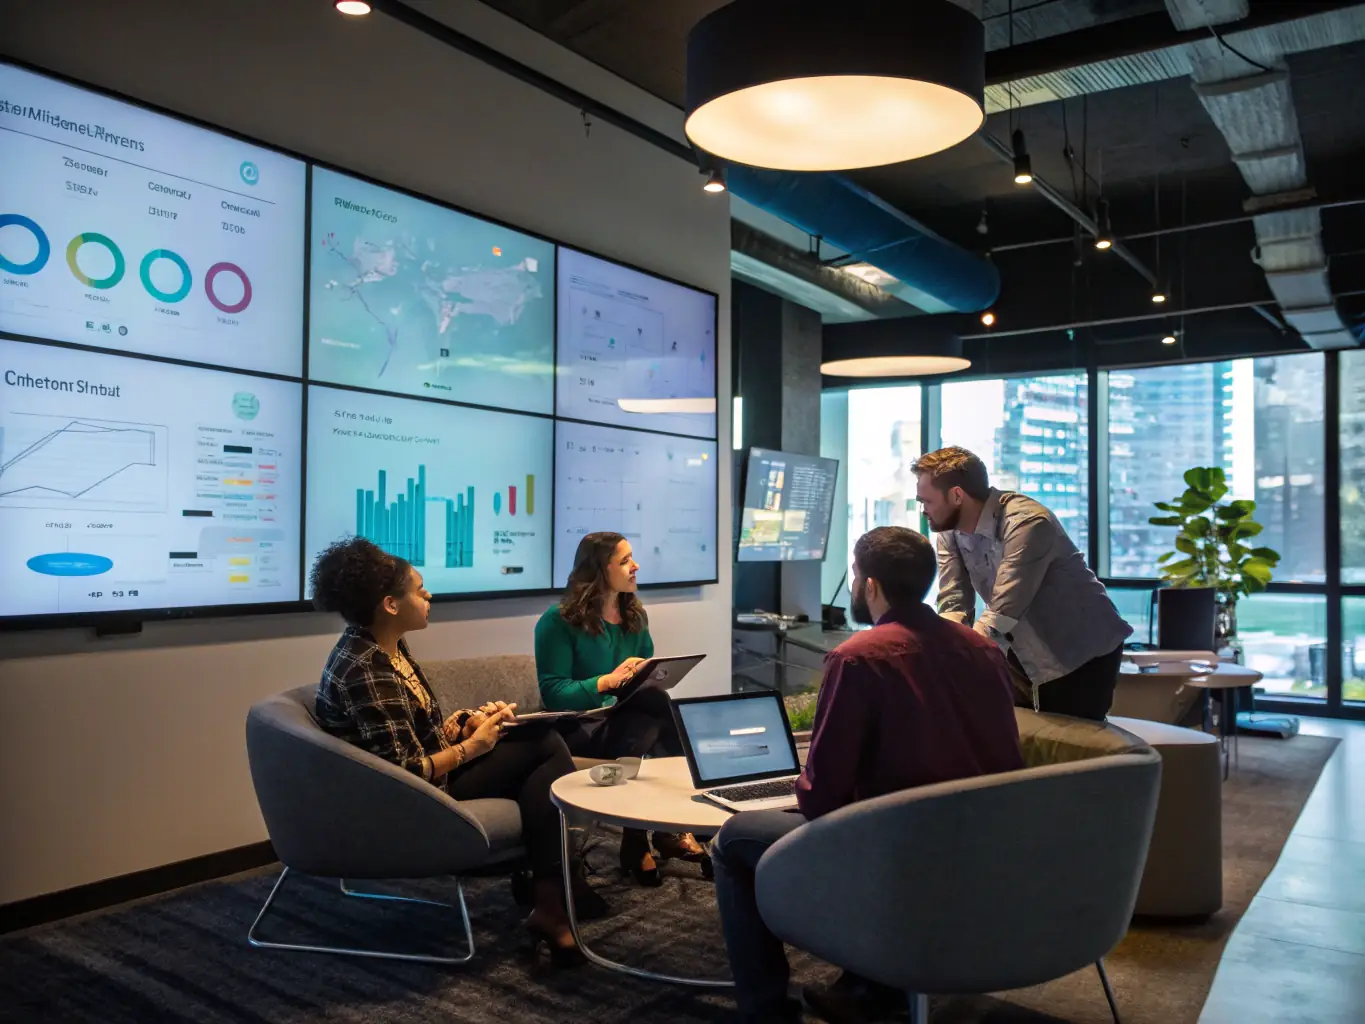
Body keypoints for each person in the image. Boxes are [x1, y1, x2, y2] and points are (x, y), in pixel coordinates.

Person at [710, 527, 1025, 1024]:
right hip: (980, 847)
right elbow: (1008, 762)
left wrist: (795, 798)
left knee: (732, 839)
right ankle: (868, 987)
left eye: (856, 575)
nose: (855, 584)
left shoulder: (857, 657)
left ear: (870, 585)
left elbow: (823, 796)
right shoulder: (983, 650)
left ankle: (765, 1010)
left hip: (888, 849)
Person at [311, 537, 593, 967]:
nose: (429, 596)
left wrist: (466, 724)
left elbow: (416, 734)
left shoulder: (386, 647)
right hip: (403, 797)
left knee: (540, 749)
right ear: (390, 604)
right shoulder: (364, 669)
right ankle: (556, 897)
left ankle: (552, 902)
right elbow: (404, 769)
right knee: (545, 746)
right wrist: (473, 746)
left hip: (423, 775)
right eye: (419, 589)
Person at [534, 531, 707, 885]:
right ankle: (658, 830)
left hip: (629, 726)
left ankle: (640, 838)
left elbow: (645, 683)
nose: (636, 566)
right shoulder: (557, 622)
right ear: (600, 569)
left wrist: (647, 675)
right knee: (655, 711)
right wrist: (606, 682)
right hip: (580, 730)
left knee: (653, 702)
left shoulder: (635, 616)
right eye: (626, 560)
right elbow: (554, 693)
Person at [913, 446, 1133, 722]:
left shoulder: (1027, 523)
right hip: (1020, 650)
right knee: (1021, 741)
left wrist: (947, 662)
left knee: (1071, 748)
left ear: (957, 495)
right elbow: (954, 601)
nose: (923, 510)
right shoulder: (949, 530)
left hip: (1080, 652)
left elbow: (1002, 615)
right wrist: (940, 650)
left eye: (927, 501)